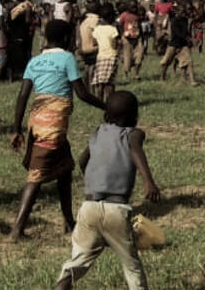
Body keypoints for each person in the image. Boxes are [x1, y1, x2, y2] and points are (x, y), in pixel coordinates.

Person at [8, 20, 110, 240]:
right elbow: (82, 93)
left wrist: (17, 128)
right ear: (66, 39)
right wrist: (106, 106)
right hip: (53, 125)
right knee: (37, 174)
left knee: (65, 170)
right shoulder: (67, 58)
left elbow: (23, 96)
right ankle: (17, 228)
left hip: (37, 121)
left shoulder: (35, 61)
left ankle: (68, 220)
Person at [55, 90, 161, 290]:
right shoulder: (134, 134)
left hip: (89, 206)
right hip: (116, 209)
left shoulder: (96, 133)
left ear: (106, 115)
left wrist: (94, 176)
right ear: (134, 116)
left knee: (79, 261)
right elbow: (135, 150)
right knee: (132, 266)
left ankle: (63, 285)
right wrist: (149, 181)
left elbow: (83, 159)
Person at [89, 2, 122, 102]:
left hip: (100, 57)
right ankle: (110, 101)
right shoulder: (113, 29)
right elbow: (115, 44)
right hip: (112, 57)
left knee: (100, 83)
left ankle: (99, 101)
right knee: (110, 83)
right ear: (112, 16)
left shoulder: (97, 29)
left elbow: (94, 42)